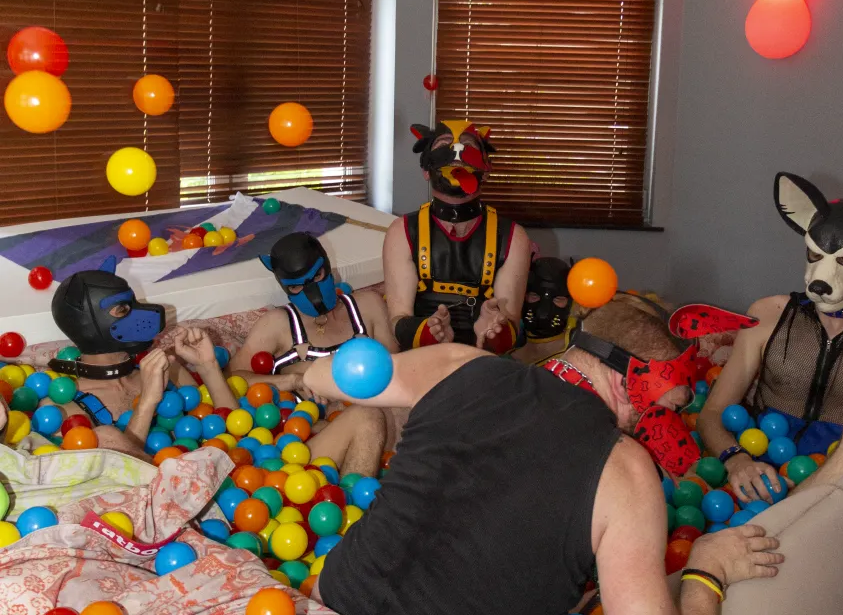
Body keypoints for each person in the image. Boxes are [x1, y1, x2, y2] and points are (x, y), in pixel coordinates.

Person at [301, 307, 783, 615]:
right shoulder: (627, 471)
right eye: (665, 408)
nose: (659, 424)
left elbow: (322, 376)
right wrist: (707, 568)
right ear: (628, 383)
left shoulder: (460, 363)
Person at [699, 172, 843, 503]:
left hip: (835, 493)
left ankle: (786, 519)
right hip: (756, 474)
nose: (825, 275)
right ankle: (781, 522)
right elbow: (712, 413)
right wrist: (737, 460)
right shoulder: (769, 314)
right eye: (815, 255)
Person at [228, 232, 397, 475]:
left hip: (382, 435)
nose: (313, 294)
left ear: (327, 266)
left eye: (317, 276)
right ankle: (361, 499)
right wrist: (292, 380)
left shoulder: (367, 305)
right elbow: (231, 380)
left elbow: (399, 369)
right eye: (296, 286)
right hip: (308, 446)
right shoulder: (277, 324)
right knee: (367, 417)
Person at [44, 260, 239, 460]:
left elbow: (236, 439)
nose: (147, 312)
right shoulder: (64, 409)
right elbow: (114, 473)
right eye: (123, 309)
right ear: (88, 323)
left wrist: (208, 367)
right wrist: (147, 403)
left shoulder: (168, 369)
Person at [383, 119, 531, 352]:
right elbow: (397, 320)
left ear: (486, 169)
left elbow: (508, 327)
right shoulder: (401, 232)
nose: (457, 150)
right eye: (444, 144)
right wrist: (428, 332)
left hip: (482, 361)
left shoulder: (514, 237)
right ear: (425, 170)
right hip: (421, 359)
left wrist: (495, 332)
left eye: (467, 145)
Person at [513, 255, 579, 365]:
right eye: (534, 296)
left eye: (558, 299)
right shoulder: (506, 358)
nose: (543, 312)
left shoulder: (576, 362)